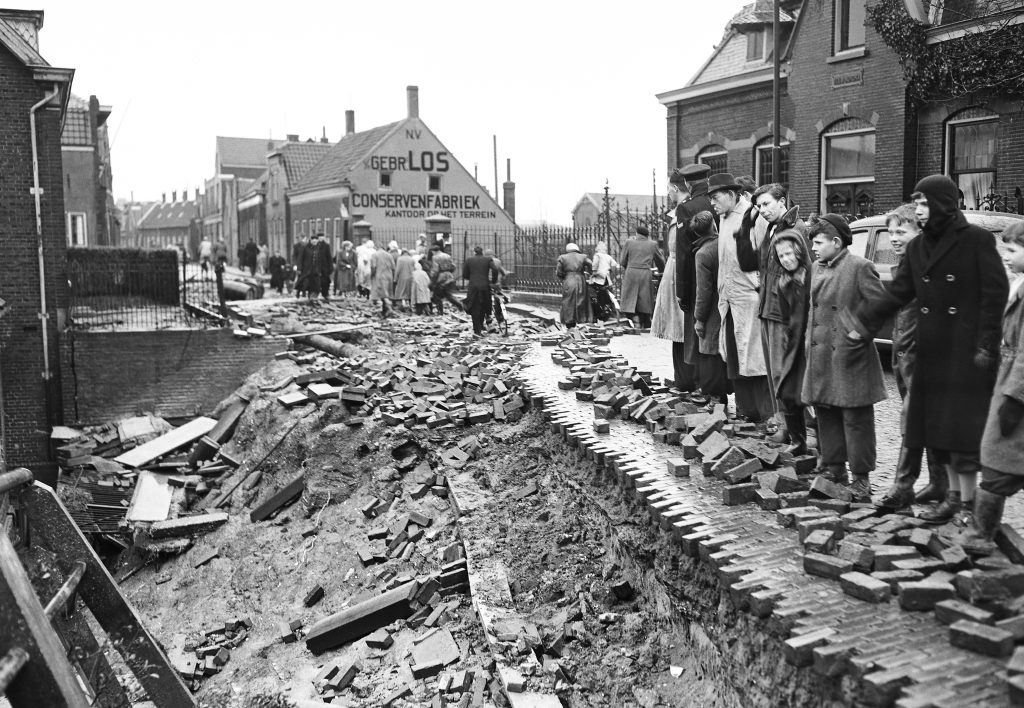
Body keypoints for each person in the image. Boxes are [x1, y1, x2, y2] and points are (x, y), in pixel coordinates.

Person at [855, 175, 1008, 524]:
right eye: (917, 203)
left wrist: (986, 345)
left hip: (966, 353)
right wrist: (863, 321)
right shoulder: (918, 247)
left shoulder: (976, 240)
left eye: (924, 204)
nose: (920, 211)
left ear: (942, 203)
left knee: (962, 433)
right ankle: (953, 498)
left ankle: (968, 505)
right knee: (938, 430)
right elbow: (898, 292)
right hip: (932, 350)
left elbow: (994, 295)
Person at [803, 214, 888, 502]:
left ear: (836, 242)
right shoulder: (816, 267)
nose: (813, 248)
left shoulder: (859, 267)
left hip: (851, 357)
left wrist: (857, 333)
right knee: (827, 411)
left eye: (818, 242)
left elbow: (880, 307)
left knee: (856, 419)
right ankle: (834, 467)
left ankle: (861, 479)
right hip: (821, 354)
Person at [875, 205, 949, 511]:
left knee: (913, 421)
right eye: (890, 232)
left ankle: (903, 487)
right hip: (903, 356)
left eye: (901, 232)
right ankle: (938, 483)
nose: (893, 238)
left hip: (923, 358)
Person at [961, 222, 1024, 554]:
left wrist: (1014, 397)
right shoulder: (1019, 284)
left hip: (1017, 391)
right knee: (1000, 460)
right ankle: (983, 533)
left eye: (1012, 251)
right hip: (1008, 381)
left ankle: (980, 536)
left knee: (1000, 462)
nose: (1007, 258)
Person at [734, 183, 809, 444]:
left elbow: (805, 275)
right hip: (767, 309)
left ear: (782, 201)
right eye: (758, 207)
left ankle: (807, 431)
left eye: (766, 204)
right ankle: (785, 426)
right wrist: (744, 230)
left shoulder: (797, 230)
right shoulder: (772, 229)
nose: (762, 211)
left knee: (789, 374)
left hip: (784, 314)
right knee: (775, 373)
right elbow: (750, 263)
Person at [708, 172, 773, 423]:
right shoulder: (723, 218)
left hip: (750, 298)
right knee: (734, 356)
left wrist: (759, 288)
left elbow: (765, 257)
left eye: (716, 197)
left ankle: (766, 414)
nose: (712, 203)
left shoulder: (753, 216)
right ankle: (746, 410)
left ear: (732, 194)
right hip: (730, 299)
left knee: (755, 357)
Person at [770, 227, 813, 455]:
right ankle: (798, 441)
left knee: (815, 396)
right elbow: (786, 318)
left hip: (812, 344)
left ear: (799, 252)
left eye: (789, 254)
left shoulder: (813, 276)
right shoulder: (783, 283)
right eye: (781, 256)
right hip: (794, 345)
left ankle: (827, 450)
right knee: (788, 392)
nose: (786, 259)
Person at [675, 164, 717, 394]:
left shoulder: (686, 208)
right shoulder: (717, 201)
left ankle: (704, 387)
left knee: (698, 332)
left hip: (698, 276)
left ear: (688, 184)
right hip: (724, 273)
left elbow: (683, 252)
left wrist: (682, 290)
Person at [651, 173, 690, 379]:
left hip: (678, 272)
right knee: (678, 327)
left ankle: (684, 378)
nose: (667, 192)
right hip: (674, 269)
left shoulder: (683, 212)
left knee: (680, 327)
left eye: (669, 188)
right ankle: (681, 376)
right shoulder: (677, 213)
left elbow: (678, 247)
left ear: (675, 188)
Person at [690, 211, 730, 406]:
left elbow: (703, 291)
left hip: (713, 309)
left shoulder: (703, 253)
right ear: (714, 224)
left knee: (710, 351)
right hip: (730, 303)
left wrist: (699, 318)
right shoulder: (725, 243)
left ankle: (716, 398)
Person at [619, 225, 665, 328]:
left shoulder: (629, 242)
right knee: (644, 298)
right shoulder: (652, 244)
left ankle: (633, 319)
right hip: (645, 273)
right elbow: (660, 261)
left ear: (637, 234)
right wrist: (662, 271)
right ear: (647, 235)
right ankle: (644, 320)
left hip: (631, 272)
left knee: (630, 296)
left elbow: (622, 261)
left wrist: (629, 266)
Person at [463, 245, 499, 335]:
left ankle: (477, 330)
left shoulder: (469, 260)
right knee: (484, 305)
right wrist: (493, 281)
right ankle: (481, 324)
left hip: (473, 287)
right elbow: (495, 269)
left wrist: (471, 278)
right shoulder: (488, 259)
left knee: (474, 307)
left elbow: (465, 274)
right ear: (482, 252)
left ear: (474, 252)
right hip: (485, 286)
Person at [556, 243, 592, 328]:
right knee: (581, 300)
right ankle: (581, 322)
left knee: (568, 302)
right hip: (581, 280)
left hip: (568, 280)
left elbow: (559, 272)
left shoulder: (562, 257)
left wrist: (564, 277)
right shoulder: (583, 256)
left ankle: (570, 324)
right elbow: (591, 265)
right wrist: (590, 274)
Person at [588, 241, 619, 322]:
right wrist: (609, 271)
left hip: (598, 279)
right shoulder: (608, 256)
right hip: (606, 279)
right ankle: (607, 308)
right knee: (604, 294)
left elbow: (594, 267)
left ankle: (599, 313)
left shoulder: (597, 255)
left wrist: (593, 274)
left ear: (597, 248)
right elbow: (615, 265)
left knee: (596, 296)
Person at [429, 246, 462, 315]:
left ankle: (440, 312)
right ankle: (460, 305)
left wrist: (432, 280)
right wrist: (449, 272)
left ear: (433, 251)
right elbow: (453, 266)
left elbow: (435, 270)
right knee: (448, 295)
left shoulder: (435, 257)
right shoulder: (447, 256)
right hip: (449, 276)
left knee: (436, 295)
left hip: (441, 277)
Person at [370, 242, 396, 316]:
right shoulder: (389, 255)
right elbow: (393, 267)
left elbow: (374, 267)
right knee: (387, 293)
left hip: (380, 275)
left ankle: (388, 309)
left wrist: (372, 275)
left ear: (376, 247)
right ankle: (385, 310)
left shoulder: (375, 255)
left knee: (382, 294)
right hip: (389, 275)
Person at [295, 233, 323, 300]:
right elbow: (300, 258)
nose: (314, 241)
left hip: (316, 269)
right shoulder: (305, 247)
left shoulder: (319, 248)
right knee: (304, 282)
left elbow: (321, 259)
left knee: (315, 283)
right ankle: (299, 292)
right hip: (306, 269)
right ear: (310, 240)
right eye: (313, 240)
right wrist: (299, 268)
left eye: (316, 240)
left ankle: (312, 296)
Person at [316, 233, 332, 300]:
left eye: (322, 237)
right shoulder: (315, 245)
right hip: (316, 266)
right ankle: (315, 293)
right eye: (320, 237)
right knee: (315, 280)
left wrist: (330, 267)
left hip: (324, 266)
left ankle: (325, 293)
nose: (321, 238)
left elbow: (329, 257)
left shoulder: (326, 246)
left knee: (325, 281)